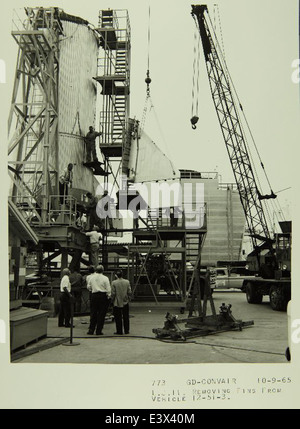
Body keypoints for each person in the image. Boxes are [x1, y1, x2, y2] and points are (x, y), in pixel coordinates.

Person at [86, 265, 111, 335]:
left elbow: (88, 286)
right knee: (101, 314)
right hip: (103, 296)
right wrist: (109, 296)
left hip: (94, 295)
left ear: (96, 270)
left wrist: (92, 290)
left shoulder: (92, 277)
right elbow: (108, 289)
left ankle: (91, 330)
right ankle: (98, 330)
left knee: (93, 313)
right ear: (103, 270)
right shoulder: (105, 278)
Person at [111, 270, 132, 335]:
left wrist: (112, 300)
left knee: (118, 317)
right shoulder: (127, 282)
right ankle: (126, 330)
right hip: (125, 301)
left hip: (117, 302)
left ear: (116, 275)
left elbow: (113, 293)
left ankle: (119, 331)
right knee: (126, 316)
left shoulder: (114, 283)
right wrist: (128, 298)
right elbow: (129, 292)